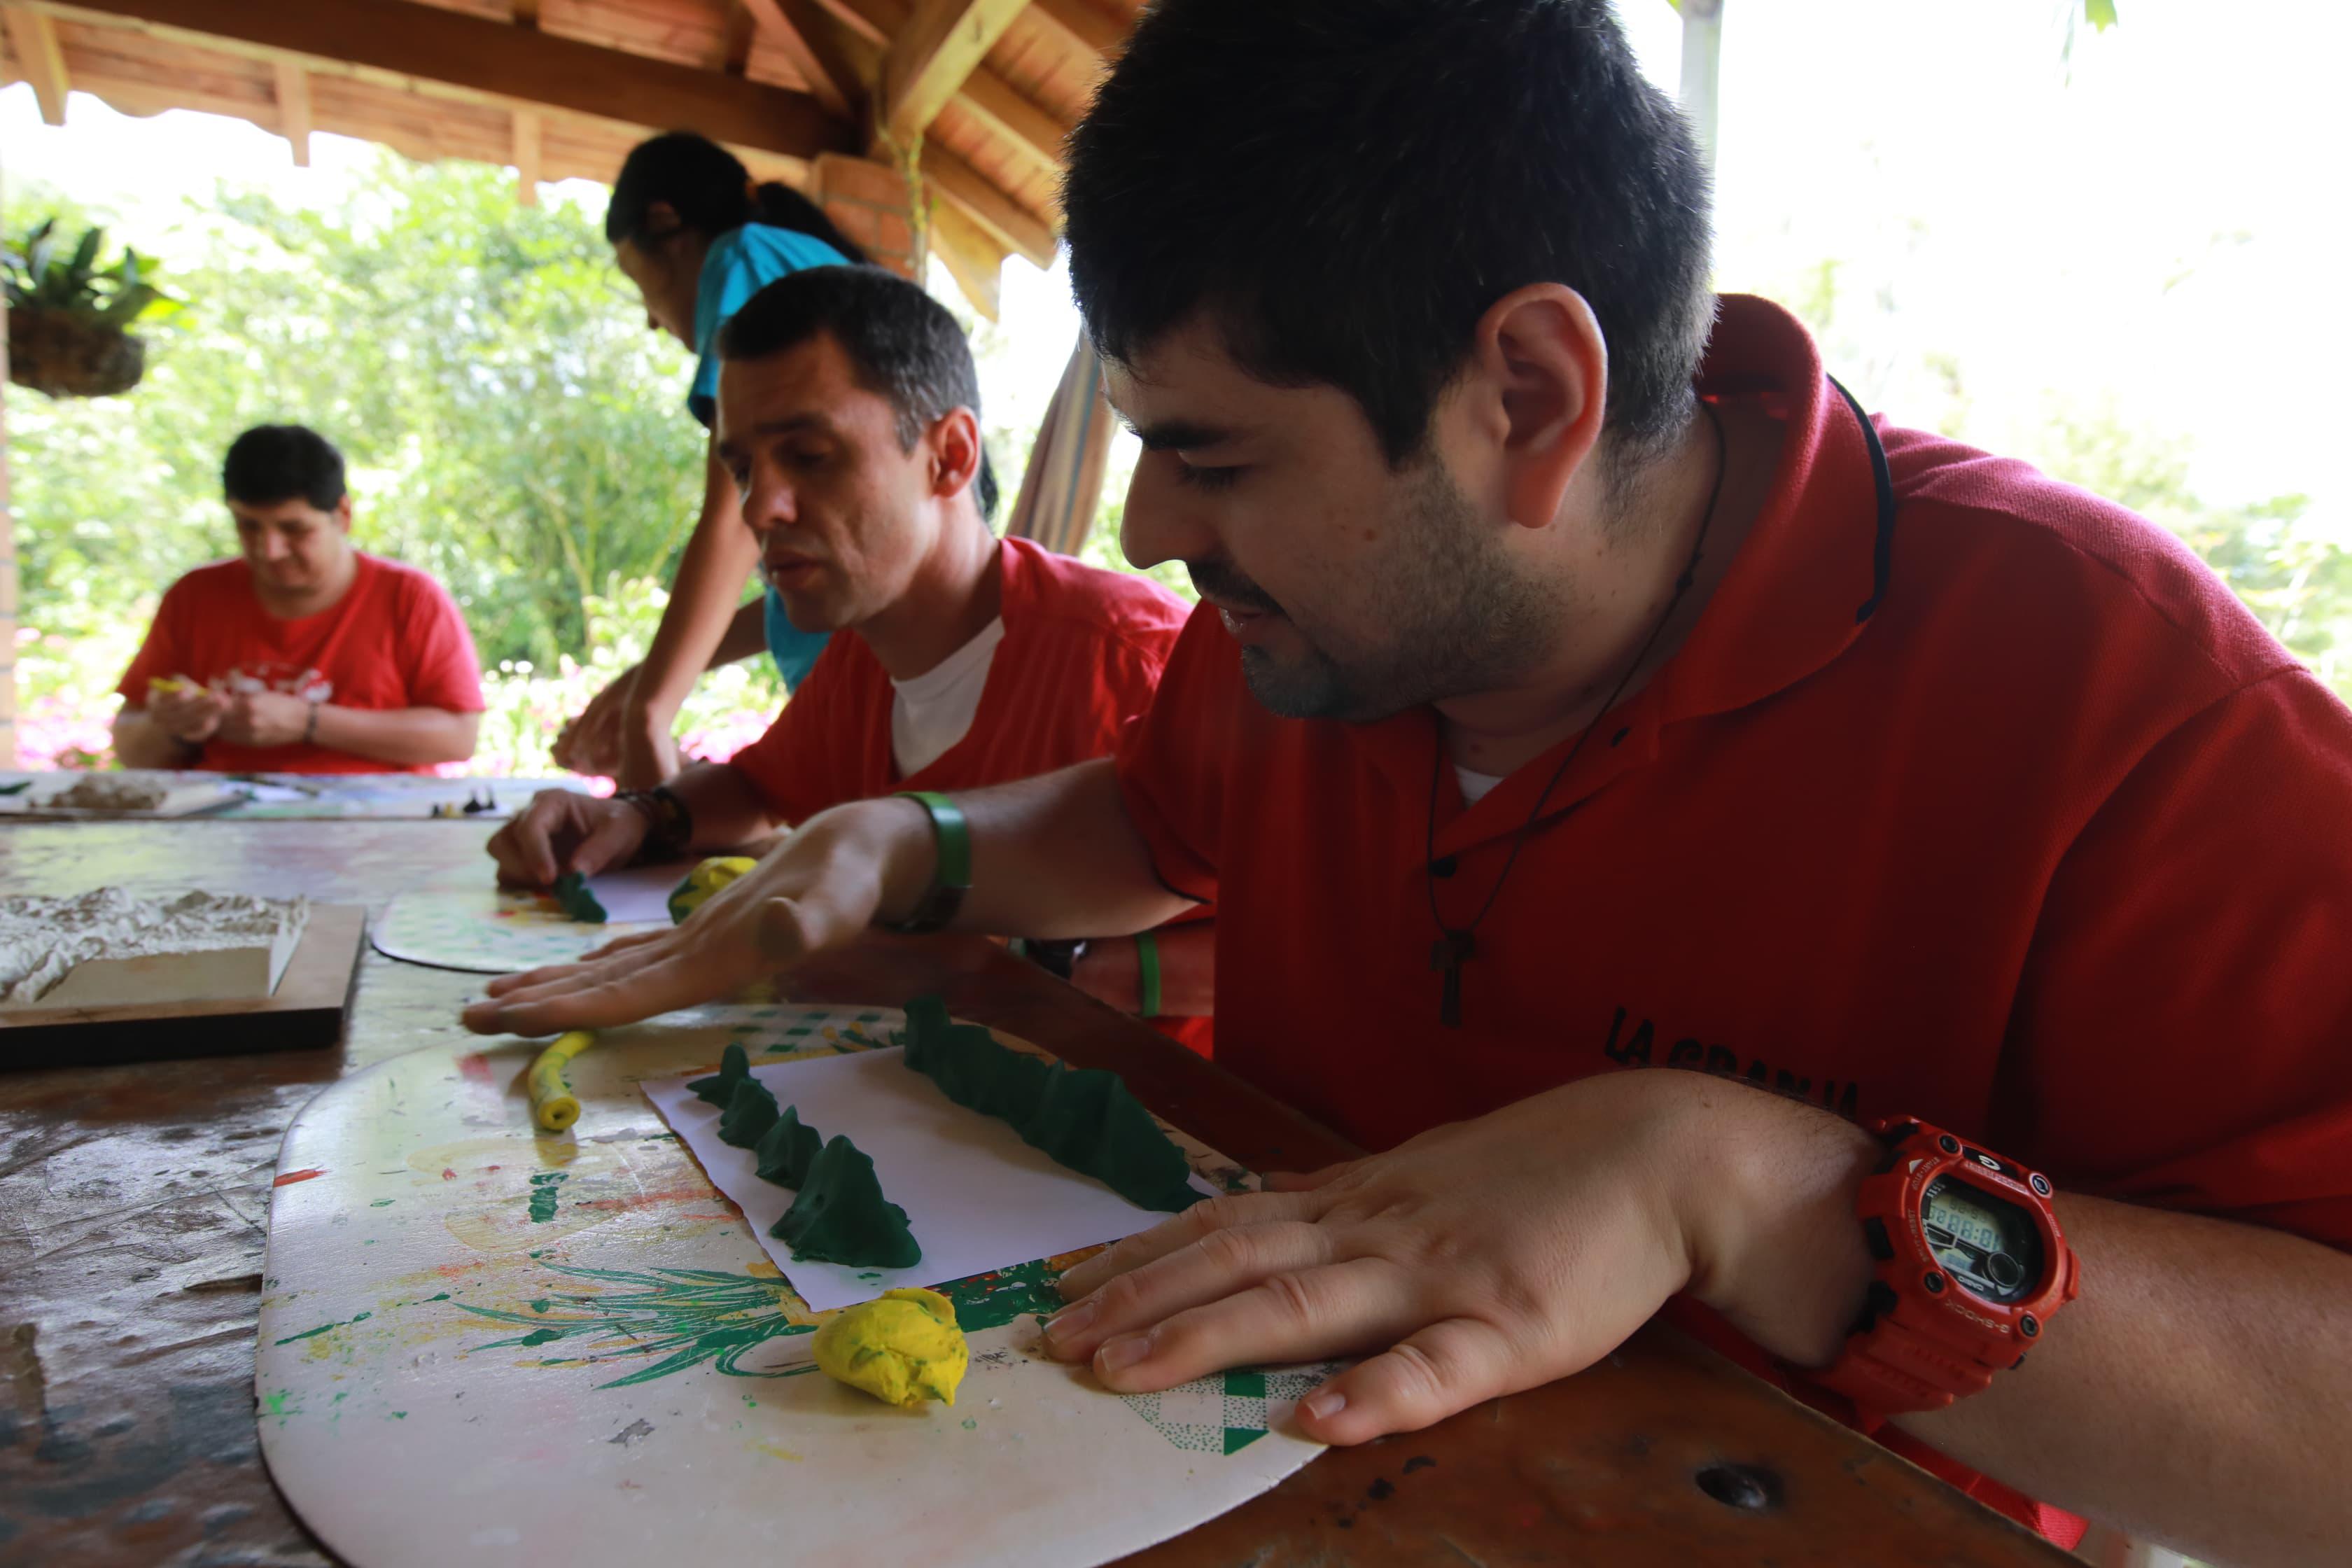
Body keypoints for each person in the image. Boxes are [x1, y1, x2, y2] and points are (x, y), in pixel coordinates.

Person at [456, 5, 2352, 1562]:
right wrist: (905, 843)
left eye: (1215, 457)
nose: (1150, 527)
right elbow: (1156, 826)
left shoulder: (2112, 691)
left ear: (1528, 398)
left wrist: (1737, 1188)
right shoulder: (1308, 620)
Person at [480, 265, 1212, 1047]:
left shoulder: (1134, 663)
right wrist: (635, 816)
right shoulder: (862, 654)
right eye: (743, 470)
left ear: (950, 455)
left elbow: (1292, 941)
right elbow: (758, 787)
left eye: (809, 455)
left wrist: (1030, 969)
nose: (760, 508)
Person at [554, 131, 867, 789]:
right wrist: (648, 680)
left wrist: (649, 710)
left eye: (635, 281)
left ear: (665, 225)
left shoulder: (744, 256)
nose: (650, 319)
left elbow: (732, 525)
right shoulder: (800, 260)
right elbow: (815, 589)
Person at [113, 424, 483, 774]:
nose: (270, 550)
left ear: (343, 515)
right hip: (221, 811)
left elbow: (459, 737)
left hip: (379, 814)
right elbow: (130, 750)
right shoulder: (195, 596)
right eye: (249, 526)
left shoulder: (410, 598)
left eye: (294, 529)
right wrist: (174, 728)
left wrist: (308, 721)